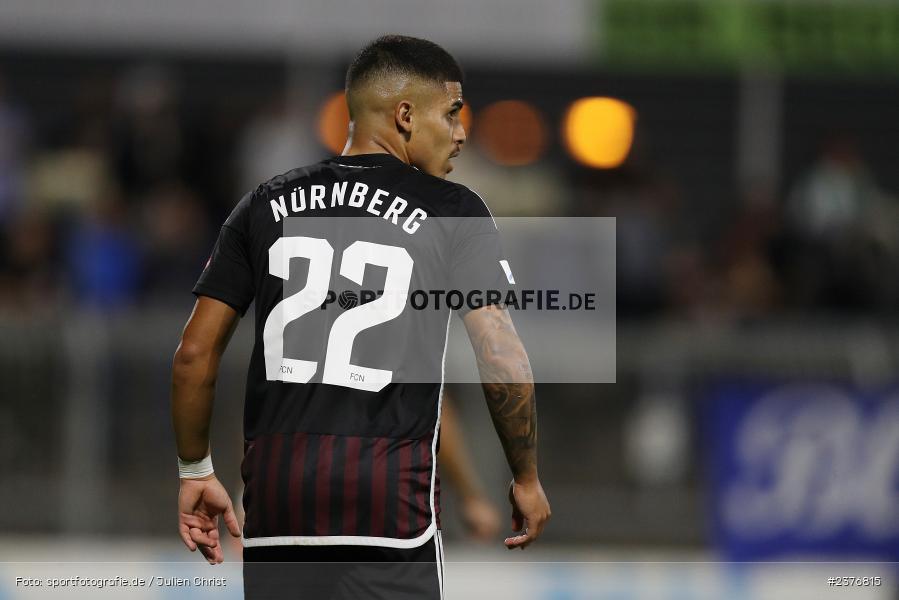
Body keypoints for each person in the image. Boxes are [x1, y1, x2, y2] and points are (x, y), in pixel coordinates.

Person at [170, 34, 550, 599]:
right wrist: (524, 476)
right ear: (404, 116)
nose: (462, 132)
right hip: (389, 504)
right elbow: (500, 353)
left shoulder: (264, 203)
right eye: (451, 114)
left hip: (279, 505)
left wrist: (194, 470)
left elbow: (194, 356)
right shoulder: (454, 209)